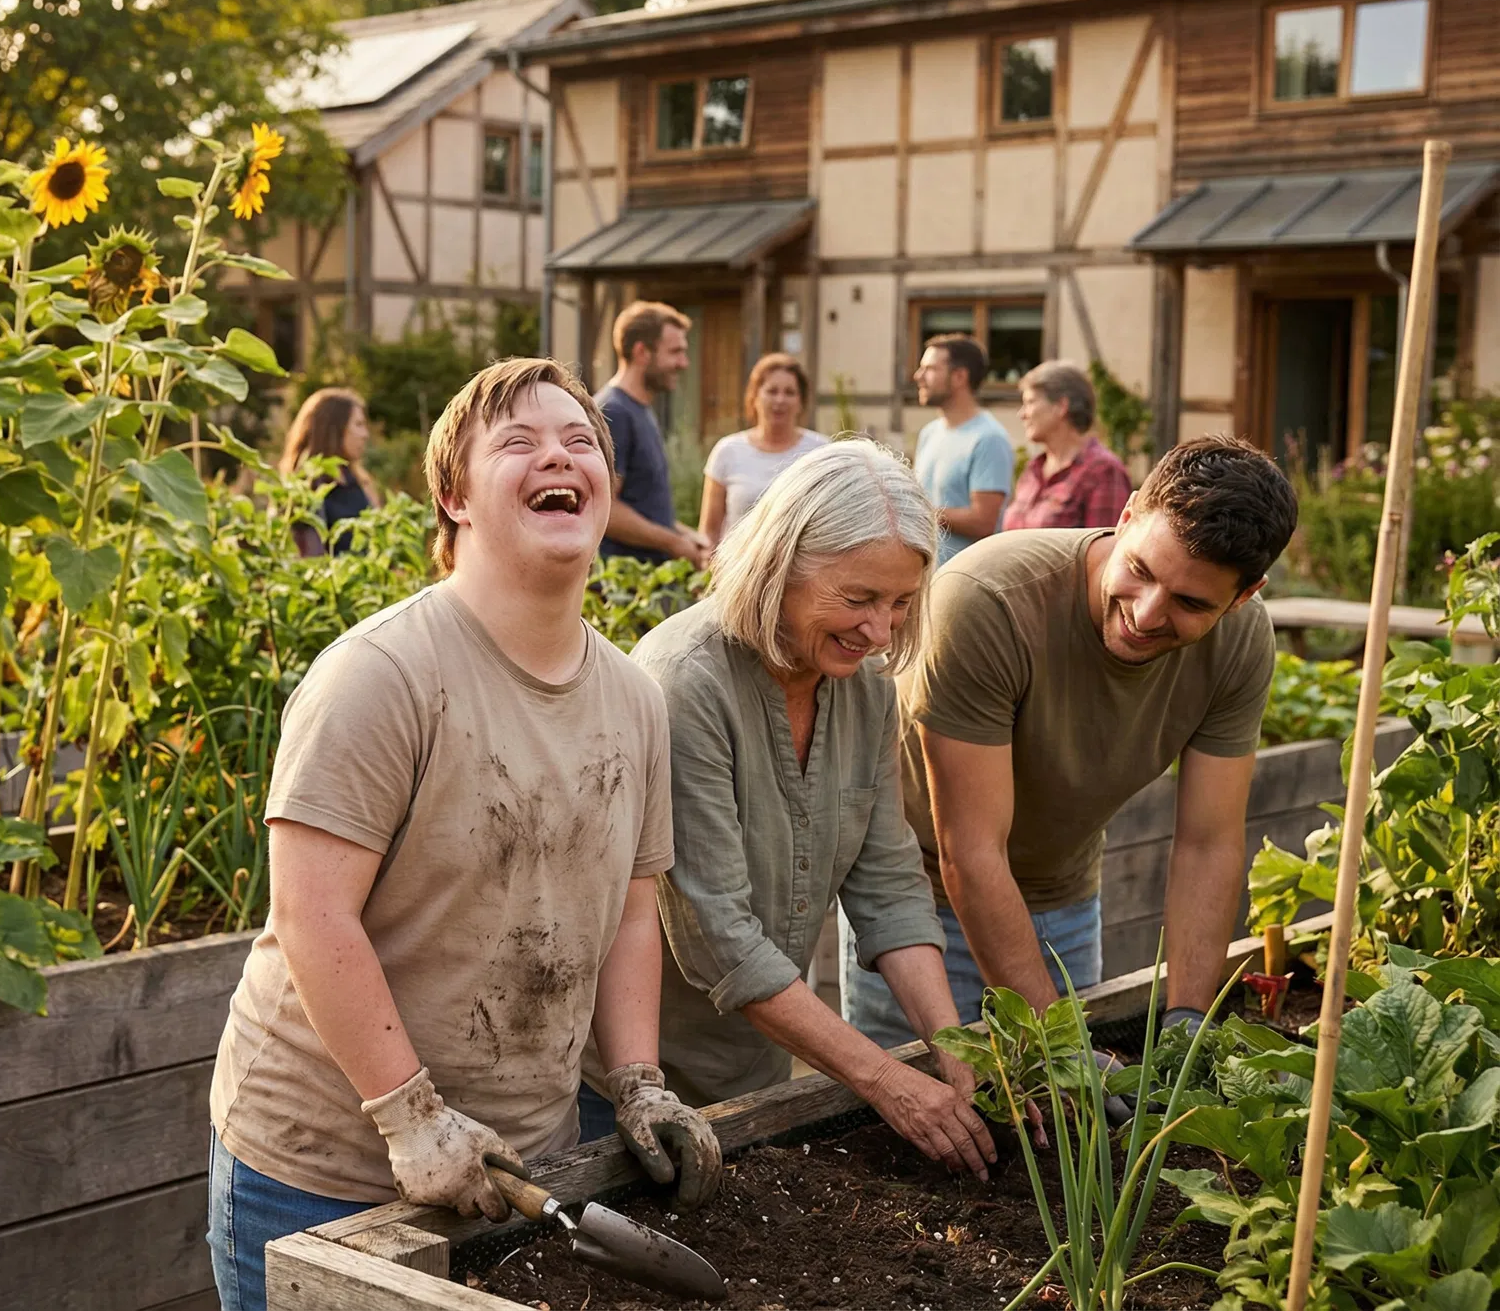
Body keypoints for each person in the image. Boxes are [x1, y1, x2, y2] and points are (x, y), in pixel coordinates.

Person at [208, 358, 722, 1311]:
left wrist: (642, 1082)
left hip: (526, 1167)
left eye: (578, 442)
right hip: (325, 1172)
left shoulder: (634, 701)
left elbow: (633, 911)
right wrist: (411, 1117)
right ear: (454, 497)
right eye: (516, 442)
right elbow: (312, 915)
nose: (556, 457)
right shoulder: (382, 675)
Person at [843, 435, 1298, 1051]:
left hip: (1064, 905)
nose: (1146, 613)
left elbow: (1208, 840)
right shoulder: (987, 602)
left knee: (1064, 1136)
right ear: (1128, 515)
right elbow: (971, 852)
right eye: (1140, 570)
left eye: (1191, 602)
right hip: (917, 914)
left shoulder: (1240, 644)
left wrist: (1188, 1020)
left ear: (1245, 595)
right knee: (917, 1124)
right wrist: (1065, 1048)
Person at [621, 440, 997, 1180]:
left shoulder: (864, 693)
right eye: (858, 599)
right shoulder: (683, 685)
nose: (881, 631)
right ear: (779, 566)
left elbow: (889, 886)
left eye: (901, 603)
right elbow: (719, 938)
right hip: (630, 1091)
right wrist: (887, 1081)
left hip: (751, 1076)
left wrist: (957, 1053)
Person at [596, 300, 710, 567]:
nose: (684, 363)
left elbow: (643, 506)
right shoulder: (614, 412)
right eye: (675, 352)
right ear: (642, 352)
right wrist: (672, 543)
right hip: (626, 587)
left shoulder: (640, 409)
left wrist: (687, 536)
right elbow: (605, 509)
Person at [697, 352, 829, 547]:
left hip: (801, 574)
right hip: (738, 571)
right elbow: (709, 533)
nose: (780, 400)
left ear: (800, 402)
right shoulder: (728, 451)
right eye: (772, 391)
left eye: (789, 392)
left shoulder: (822, 452)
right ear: (754, 396)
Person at [911, 335, 1013, 565]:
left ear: (959, 377)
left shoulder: (989, 439)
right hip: (926, 578)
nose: (918, 377)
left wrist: (919, 509)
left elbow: (983, 522)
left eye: (929, 369)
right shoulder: (929, 433)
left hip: (966, 582)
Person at [1004, 362, 1132, 532]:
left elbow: (1107, 551)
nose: (1022, 414)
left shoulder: (1103, 471)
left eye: (1030, 402)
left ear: (1061, 406)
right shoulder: (1033, 470)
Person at [278, 387, 381, 555]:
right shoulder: (304, 488)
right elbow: (309, 558)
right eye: (358, 424)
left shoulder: (357, 480)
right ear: (334, 428)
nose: (365, 434)